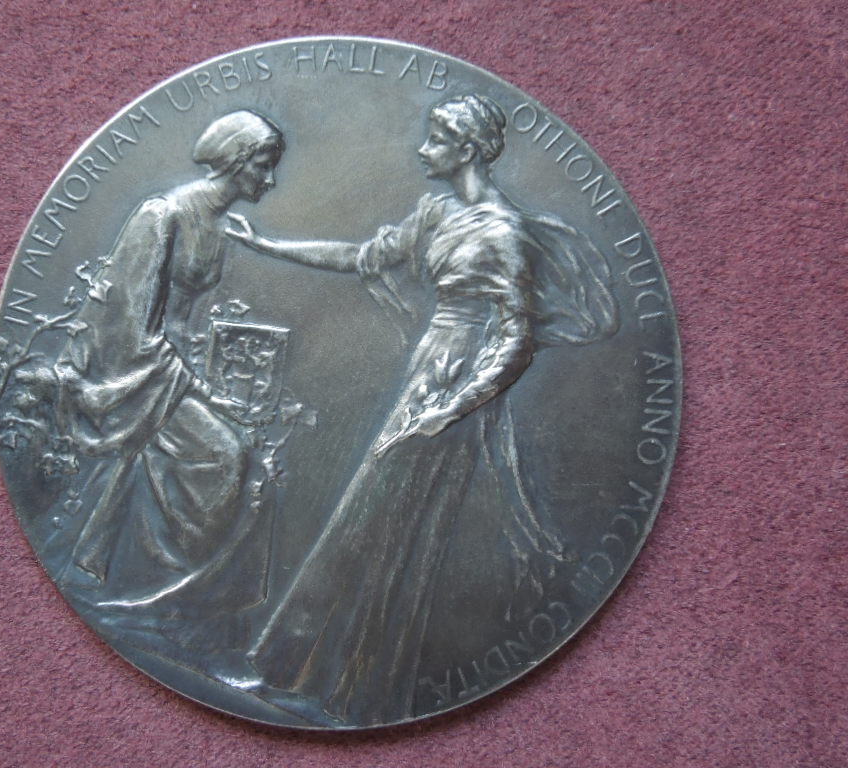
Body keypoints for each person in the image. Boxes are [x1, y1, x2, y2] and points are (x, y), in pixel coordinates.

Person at [226, 94, 618, 724]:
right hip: (427, 371)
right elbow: (361, 258)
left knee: (394, 527)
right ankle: (306, 671)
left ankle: (352, 683)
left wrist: (450, 411)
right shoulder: (437, 213)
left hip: (454, 391)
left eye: (436, 138)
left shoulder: (503, 234)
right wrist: (269, 246)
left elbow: (516, 342)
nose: (422, 148)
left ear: (468, 149)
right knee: (371, 520)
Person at [50, 110, 285, 627]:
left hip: (173, 372)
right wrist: (199, 389)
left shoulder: (220, 226)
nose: (270, 179)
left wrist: (211, 381)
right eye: (264, 164)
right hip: (136, 377)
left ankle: (192, 598)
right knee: (227, 456)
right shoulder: (162, 215)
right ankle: (167, 589)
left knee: (256, 464)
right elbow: (128, 326)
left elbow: (191, 321)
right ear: (237, 161)